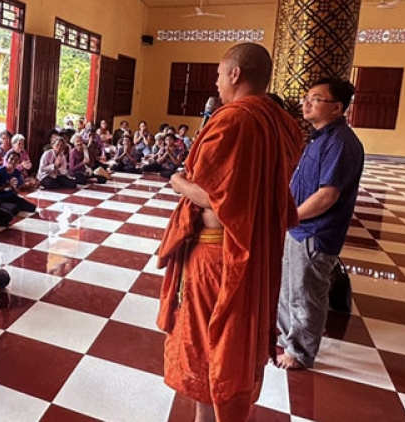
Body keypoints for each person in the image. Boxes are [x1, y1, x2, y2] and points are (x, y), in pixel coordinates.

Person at [157, 43, 301, 422]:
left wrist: (177, 182)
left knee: (208, 340)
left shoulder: (233, 120)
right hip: (251, 248)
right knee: (227, 340)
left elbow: (215, 197)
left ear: (236, 74)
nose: (217, 83)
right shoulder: (280, 121)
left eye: (220, 75)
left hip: (217, 252)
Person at [276, 78, 364, 371]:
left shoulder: (340, 142)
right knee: (289, 289)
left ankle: (300, 352)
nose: (306, 103)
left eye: (316, 98)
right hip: (299, 227)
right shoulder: (320, 138)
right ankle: (290, 338)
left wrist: (291, 216)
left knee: (306, 293)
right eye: (307, 97)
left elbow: (327, 195)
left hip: (316, 232)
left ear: (337, 108)